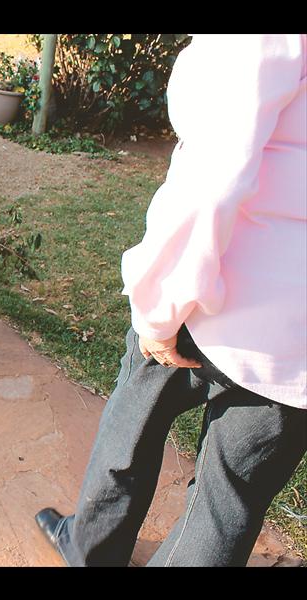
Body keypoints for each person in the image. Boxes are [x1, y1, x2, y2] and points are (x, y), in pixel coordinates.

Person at [35, 34, 307, 567]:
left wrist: (158, 310)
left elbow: (214, 176)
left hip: (215, 301)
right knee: (227, 501)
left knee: (133, 420)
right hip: (297, 346)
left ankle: (90, 547)